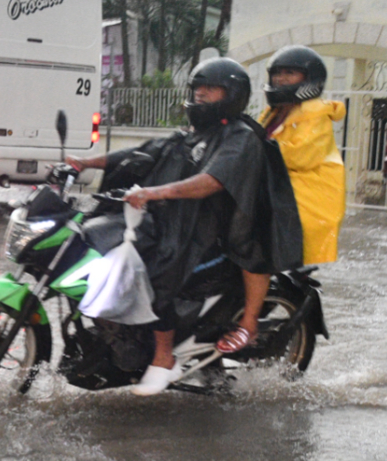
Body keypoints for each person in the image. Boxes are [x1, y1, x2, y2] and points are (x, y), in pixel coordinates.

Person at [67, 57, 296, 396]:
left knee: (153, 269)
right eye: (197, 87)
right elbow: (143, 153)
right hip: (176, 223)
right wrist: (84, 162)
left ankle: (162, 358)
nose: (200, 93)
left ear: (231, 94)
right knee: (105, 243)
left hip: (214, 237)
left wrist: (155, 192)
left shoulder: (240, 138)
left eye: (211, 88)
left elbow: (211, 182)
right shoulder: (192, 134)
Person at [257, 45, 346, 267]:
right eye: (277, 73)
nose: (281, 79)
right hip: (280, 185)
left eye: (290, 73)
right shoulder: (274, 111)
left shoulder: (315, 114)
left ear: (309, 79)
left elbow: (298, 155)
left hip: (306, 196)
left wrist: (256, 151)